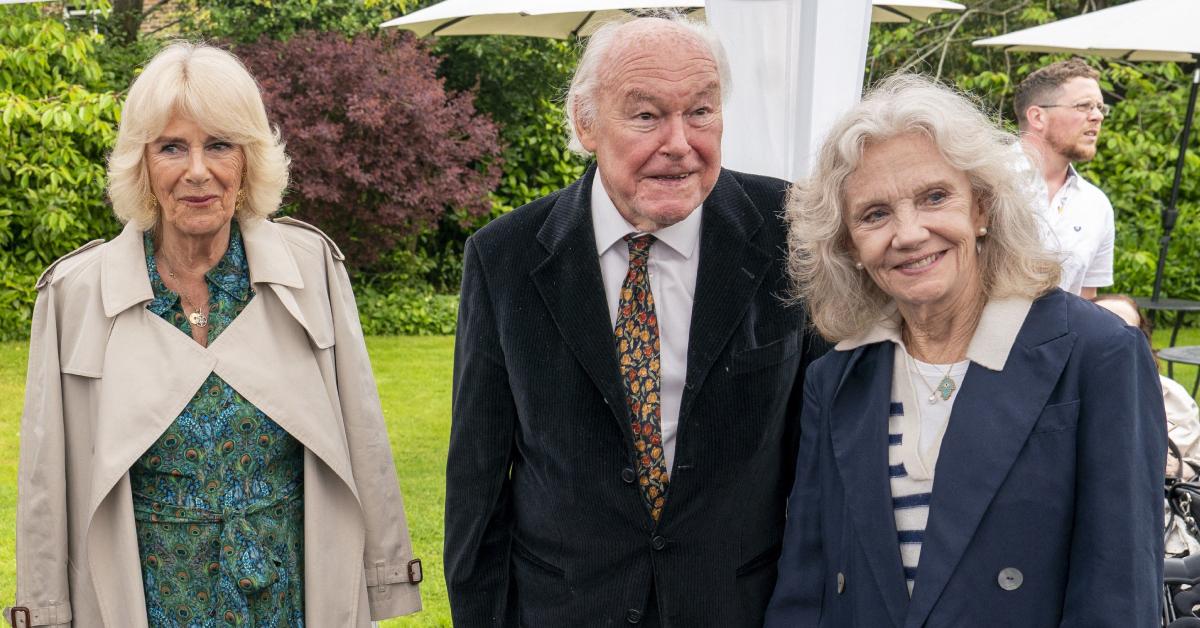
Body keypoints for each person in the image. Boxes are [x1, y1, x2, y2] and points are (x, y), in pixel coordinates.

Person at [7, 43, 421, 628]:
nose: (197, 171)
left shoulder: (311, 270)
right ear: (143, 164)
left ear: (248, 161)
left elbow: (364, 438)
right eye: (172, 147)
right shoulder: (76, 294)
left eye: (219, 145)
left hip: (288, 598)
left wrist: (383, 574)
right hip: (146, 601)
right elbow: (45, 486)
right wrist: (45, 611)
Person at [445, 14, 825, 627]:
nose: (679, 142)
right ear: (584, 122)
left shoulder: (793, 231)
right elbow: (476, 484)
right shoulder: (505, 257)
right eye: (646, 115)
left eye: (701, 111)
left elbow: (823, 465)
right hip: (566, 608)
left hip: (738, 606)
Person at [765, 74, 1164, 627]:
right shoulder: (835, 378)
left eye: (934, 197)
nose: (909, 233)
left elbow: (1118, 592)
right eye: (874, 214)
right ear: (849, 246)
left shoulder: (1097, 355)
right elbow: (806, 587)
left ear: (981, 208)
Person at [1014, 59, 1115, 299]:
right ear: (1038, 117)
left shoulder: (1096, 205)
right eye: (1084, 106)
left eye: (1100, 107)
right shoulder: (985, 181)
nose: (1097, 116)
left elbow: (1086, 302)